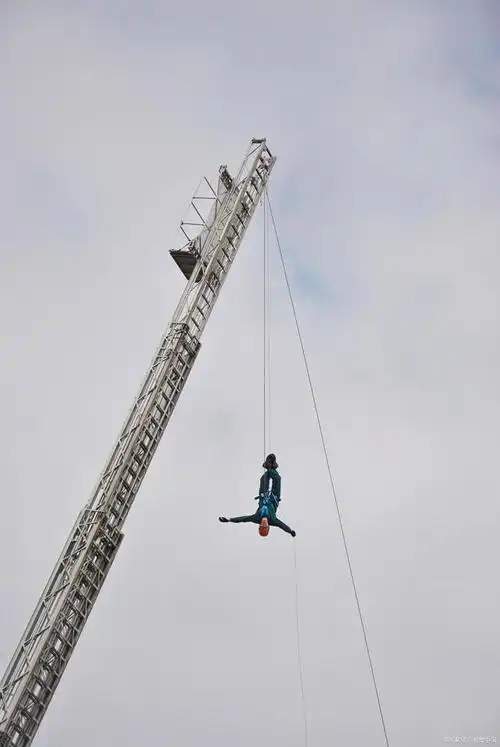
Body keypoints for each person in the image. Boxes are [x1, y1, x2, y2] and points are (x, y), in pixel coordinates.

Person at [219, 454, 296, 537]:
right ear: (268, 526)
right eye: (265, 526)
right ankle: (271, 467)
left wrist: (229, 519)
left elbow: (243, 519)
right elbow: (283, 526)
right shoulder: (273, 521)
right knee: (277, 479)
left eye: (262, 525)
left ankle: (269, 467)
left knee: (264, 477)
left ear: (260, 525)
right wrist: (290, 531)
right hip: (274, 498)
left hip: (264, 496)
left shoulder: (256, 518)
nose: (264, 523)